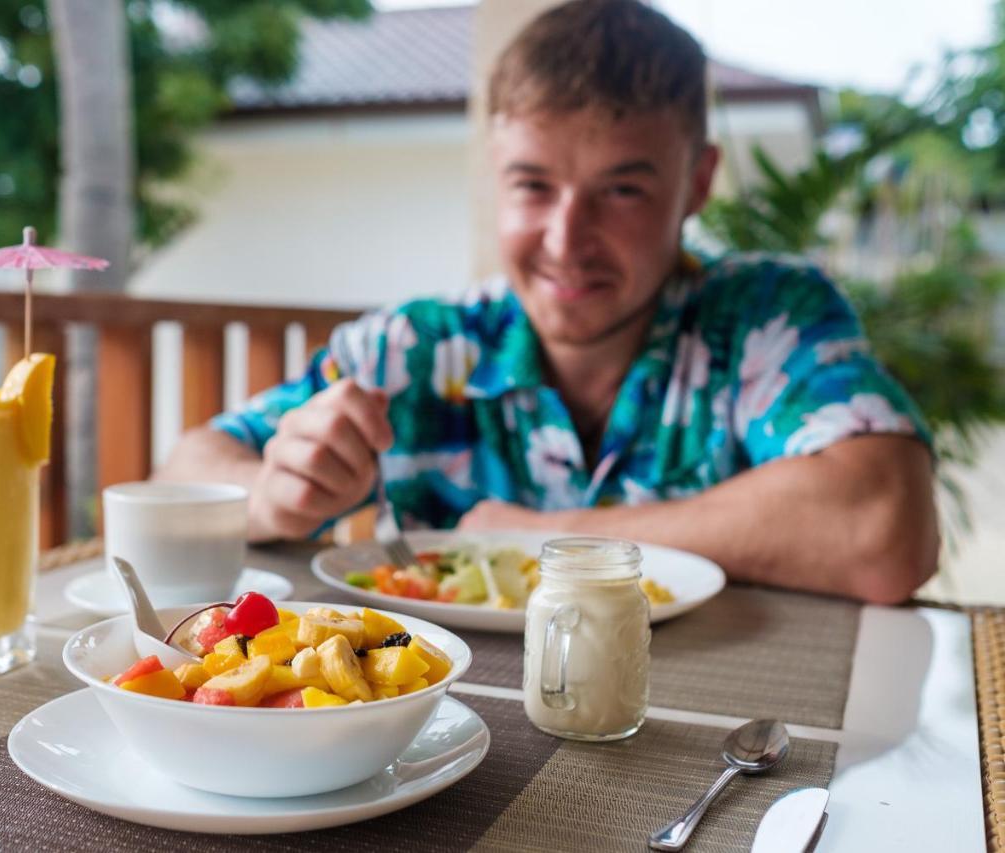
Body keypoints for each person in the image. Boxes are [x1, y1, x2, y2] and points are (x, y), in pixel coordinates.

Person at [156, 0, 939, 604]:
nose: (568, 239)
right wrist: (268, 493)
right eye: (533, 185)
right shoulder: (415, 347)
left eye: (622, 189)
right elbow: (182, 473)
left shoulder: (766, 317)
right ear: (496, 170)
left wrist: (538, 538)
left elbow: (885, 530)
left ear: (697, 182)